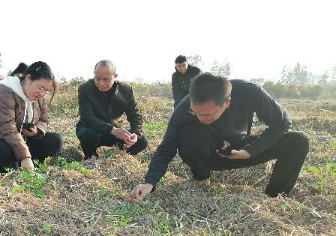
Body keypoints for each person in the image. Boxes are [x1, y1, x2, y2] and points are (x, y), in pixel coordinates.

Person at [130, 72, 309, 200]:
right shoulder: (184, 109)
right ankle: (201, 178)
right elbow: (166, 148)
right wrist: (150, 183)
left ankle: (276, 197)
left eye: (208, 114)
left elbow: (282, 123)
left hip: (239, 148)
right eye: (196, 112)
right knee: (188, 132)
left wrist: (250, 151)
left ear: (227, 102)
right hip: (207, 153)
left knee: (298, 141)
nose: (201, 117)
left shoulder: (250, 92)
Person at [0, 61, 63, 174]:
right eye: (40, 87)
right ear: (28, 78)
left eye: (46, 91)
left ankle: (28, 165)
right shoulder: (4, 92)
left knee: (55, 140)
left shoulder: (37, 98)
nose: (42, 93)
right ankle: (8, 170)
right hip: (1, 139)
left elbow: (43, 119)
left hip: (23, 140)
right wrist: (25, 157)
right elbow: (7, 127)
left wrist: (36, 130)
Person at [76, 60, 148, 159]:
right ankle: (91, 157)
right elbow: (87, 118)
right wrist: (113, 130)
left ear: (115, 76)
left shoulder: (126, 91)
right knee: (87, 134)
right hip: (91, 129)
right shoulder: (85, 89)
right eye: (98, 78)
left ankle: (114, 156)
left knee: (142, 141)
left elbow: (135, 116)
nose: (101, 83)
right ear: (94, 74)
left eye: (106, 79)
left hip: (112, 131)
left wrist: (136, 134)